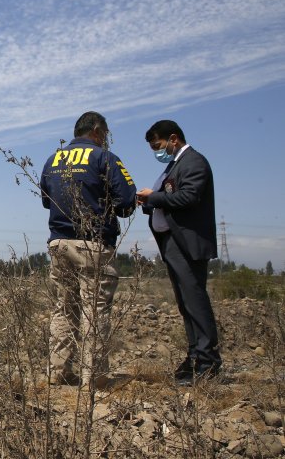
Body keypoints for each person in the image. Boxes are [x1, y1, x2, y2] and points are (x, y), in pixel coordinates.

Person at [40, 111, 135, 389]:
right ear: (96, 131)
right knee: (95, 309)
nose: (105, 139)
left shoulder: (53, 159)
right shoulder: (105, 158)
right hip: (93, 244)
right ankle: (93, 378)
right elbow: (126, 203)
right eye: (104, 134)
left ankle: (58, 372)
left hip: (59, 243)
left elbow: (47, 200)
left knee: (64, 308)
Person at [136, 120, 222, 385]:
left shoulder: (194, 162)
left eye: (158, 145)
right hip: (172, 243)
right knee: (186, 304)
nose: (157, 151)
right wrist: (148, 202)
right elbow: (167, 199)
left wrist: (154, 198)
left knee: (195, 300)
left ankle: (208, 362)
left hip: (186, 243)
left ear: (173, 139)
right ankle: (196, 355)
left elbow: (188, 197)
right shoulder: (173, 165)